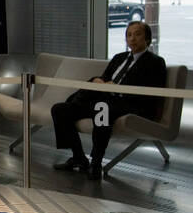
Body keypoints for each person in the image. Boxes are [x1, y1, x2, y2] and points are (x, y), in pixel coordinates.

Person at [51, 20, 167, 182]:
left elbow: (150, 92)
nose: (132, 38)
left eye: (137, 34)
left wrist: (118, 88)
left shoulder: (155, 62)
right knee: (60, 109)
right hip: (104, 99)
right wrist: (97, 81)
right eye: (129, 35)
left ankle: (96, 163)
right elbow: (105, 78)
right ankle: (78, 157)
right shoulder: (119, 58)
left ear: (147, 39)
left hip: (130, 105)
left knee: (102, 111)